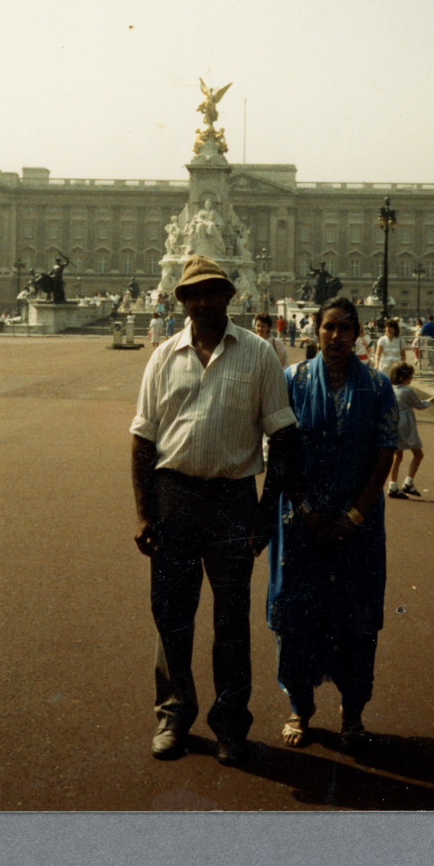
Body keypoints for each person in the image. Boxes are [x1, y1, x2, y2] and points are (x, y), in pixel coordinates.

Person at [130, 255, 301, 767]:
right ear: (181, 301)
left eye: (212, 292)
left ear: (230, 297)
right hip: (174, 499)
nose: (203, 302)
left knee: (231, 621)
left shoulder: (259, 354)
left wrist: (266, 511)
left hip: (231, 501)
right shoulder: (162, 357)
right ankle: (174, 715)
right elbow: (142, 441)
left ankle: (230, 723)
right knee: (172, 618)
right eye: (193, 294)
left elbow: (285, 440)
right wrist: (143, 514)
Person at [264, 296, 398, 749]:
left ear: (358, 333)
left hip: (358, 525)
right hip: (302, 523)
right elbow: (280, 451)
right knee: (297, 616)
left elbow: (385, 454)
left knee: (356, 618)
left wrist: (354, 513)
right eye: (329, 328)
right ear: (315, 332)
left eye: (345, 329)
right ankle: (300, 708)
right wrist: (308, 509)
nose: (337, 337)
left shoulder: (378, 387)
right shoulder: (292, 381)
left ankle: (353, 712)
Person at [386, 362, 434, 497]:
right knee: (418, 454)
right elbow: (419, 405)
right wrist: (431, 401)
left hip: (394, 424)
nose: (411, 378)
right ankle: (408, 482)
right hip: (406, 425)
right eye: (410, 376)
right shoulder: (407, 391)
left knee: (398, 456)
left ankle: (393, 485)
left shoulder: (390, 389)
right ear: (403, 377)